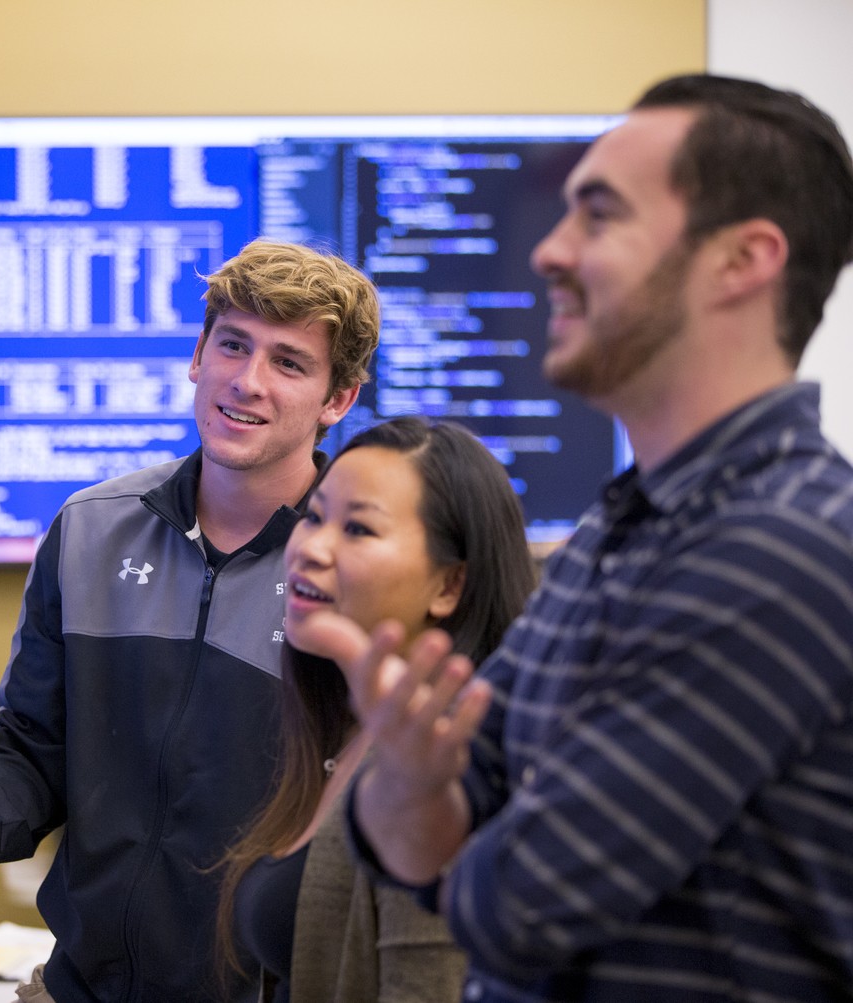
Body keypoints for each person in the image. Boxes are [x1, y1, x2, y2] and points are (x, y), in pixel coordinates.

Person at [314, 73, 853, 1001]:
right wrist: (415, 793)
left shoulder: (780, 545)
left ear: (743, 260)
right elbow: (421, 820)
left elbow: (518, 907)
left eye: (599, 217)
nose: (550, 253)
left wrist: (430, 814)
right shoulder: (620, 524)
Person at [0, 239, 381, 1002]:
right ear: (198, 355)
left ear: (338, 399)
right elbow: (35, 746)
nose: (248, 380)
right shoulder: (91, 528)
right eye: (233, 345)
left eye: (289, 363)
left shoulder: (360, 572)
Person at [214, 416, 536, 1003]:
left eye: (358, 528)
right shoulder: (342, 727)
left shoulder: (445, 762)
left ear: (449, 587)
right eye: (314, 516)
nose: (311, 548)